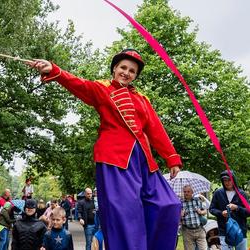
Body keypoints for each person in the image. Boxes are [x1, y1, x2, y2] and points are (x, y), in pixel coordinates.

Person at [27, 48, 182, 250]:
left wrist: (171, 158)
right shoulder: (103, 89)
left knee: (168, 205)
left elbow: (155, 129)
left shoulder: (142, 99)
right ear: (115, 68)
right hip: (115, 158)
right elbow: (80, 85)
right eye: (123, 67)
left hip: (143, 159)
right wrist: (55, 70)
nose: (127, 73)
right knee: (125, 213)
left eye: (132, 71)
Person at [209, 170, 250, 250]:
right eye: (225, 180)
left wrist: (237, 208)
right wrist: (221, 213)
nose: (227, 182)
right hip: (224, 231)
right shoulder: (218, 193)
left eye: (229, 180)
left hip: (240, 230)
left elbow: (248, 212)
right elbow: (212, 209)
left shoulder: (241, 194)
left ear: (233, 180)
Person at [181, 185, 207, 250]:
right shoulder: (180, 203)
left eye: (188, 191)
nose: (186, 193)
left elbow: (205, 210)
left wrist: (201, 212)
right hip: (187, 231)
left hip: (199, 230)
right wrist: (180, 215)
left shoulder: (197, 200)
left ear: (192, 192)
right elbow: (176, 218)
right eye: (184, 192)